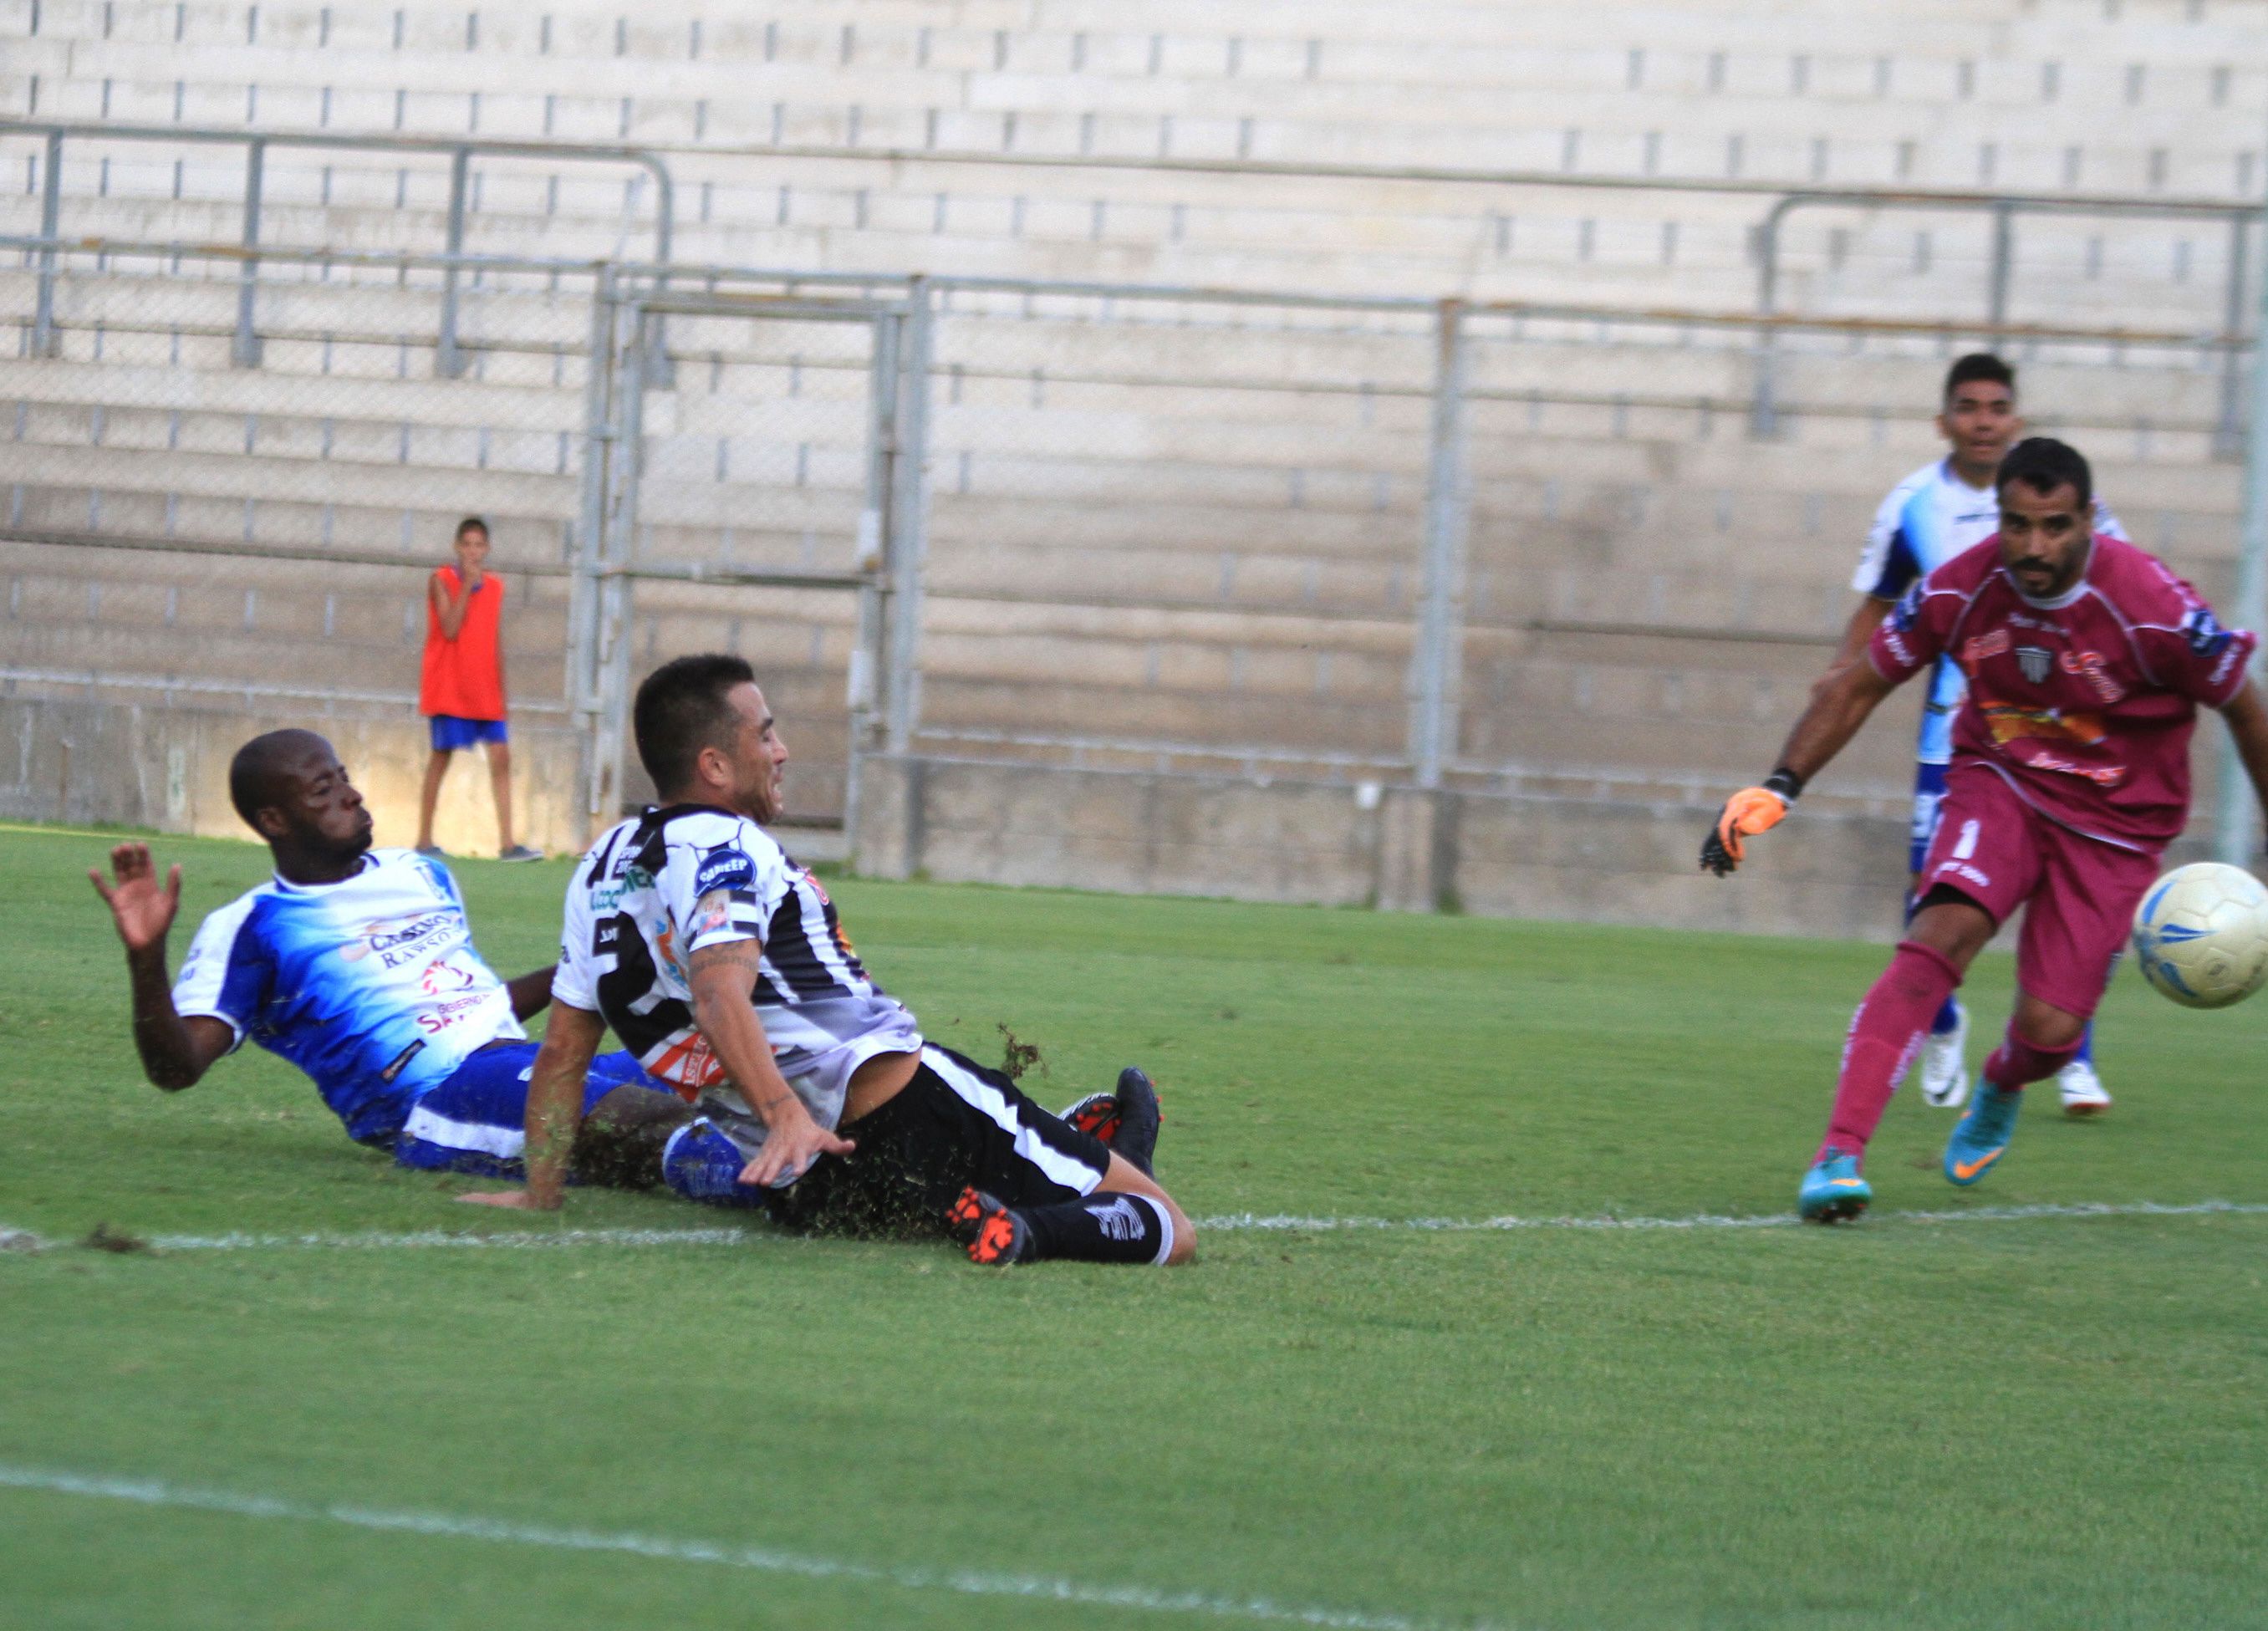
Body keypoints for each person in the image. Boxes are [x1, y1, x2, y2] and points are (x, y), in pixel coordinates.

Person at [461, 654, 1196, 1267]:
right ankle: (1035, 1225)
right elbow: (719, 993)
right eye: (765, 734)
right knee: (1163, 1223)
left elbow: (563, 1052)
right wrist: (785, 1112)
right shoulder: (726, 844)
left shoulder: (600, 865)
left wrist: (540, 1191)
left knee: (1025, 1167)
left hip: (807, 1185)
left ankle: (1092, 1148)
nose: (780, 750)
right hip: (909, 1113)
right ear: (714, 764)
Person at [1700, 439, 2268, 1222]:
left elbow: (2245, 708)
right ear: (1996, 517)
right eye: (2016, 524)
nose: (2033, 546)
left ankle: (2002, 1080)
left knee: (2050, 1031)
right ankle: (1837, 1155)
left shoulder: (2154, 607)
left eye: (2054, 526)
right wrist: (1779, 786)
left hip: (2116, 826)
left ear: (2088, 521)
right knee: (1937, 936)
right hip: (2000, 782)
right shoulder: (1958, 587)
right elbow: (1859, 685)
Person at [90, 728, 691, 1185]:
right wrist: (146, 959)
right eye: (324, 791)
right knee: (648, 1125)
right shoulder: (255, 926)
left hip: (518, 1060)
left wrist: (600, 973)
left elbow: (475, 1007)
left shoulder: (416, 871)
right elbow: (177, 1068)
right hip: (437, 1097)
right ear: (274, 820)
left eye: (344, 778)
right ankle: (753, 1183)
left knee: (713, 1075)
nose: (352, 795)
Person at [1827, 354, 2126, 1115]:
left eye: (1996, 407)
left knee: (2063, 905)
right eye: (1968, 407)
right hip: (1957, 740)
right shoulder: (1913, 504)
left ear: (2014, 419)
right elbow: (1879, 604)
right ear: (1944, 421)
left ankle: (2074, 1060)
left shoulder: (2071, 507)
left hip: (2061, 735)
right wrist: (1841, 676)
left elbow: (2119, 586)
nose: (1983, 421)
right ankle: (1942, 1024)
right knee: (1933, 896)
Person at [416, 516, 540, 863]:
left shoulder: (495, 587)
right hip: (451, 687)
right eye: (467, 545)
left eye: (479, 545)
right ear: (457, 547)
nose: (473, 551)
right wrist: (467, 587)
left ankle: (508, 844)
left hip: (484, 690)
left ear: (487, 549)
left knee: (501, 756)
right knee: (441, 757)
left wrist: (501, 691)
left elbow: (493, 638)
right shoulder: (442, 580)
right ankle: (424, 839)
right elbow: (450, 628)